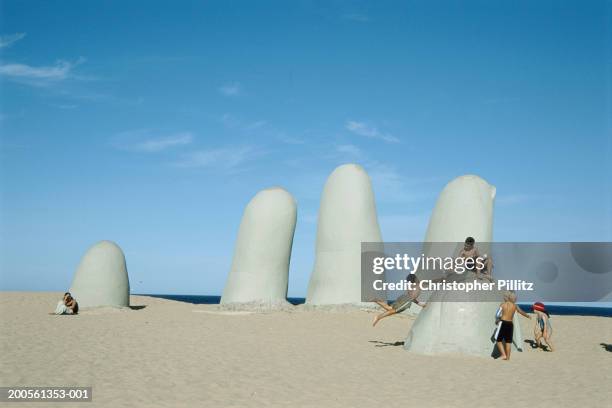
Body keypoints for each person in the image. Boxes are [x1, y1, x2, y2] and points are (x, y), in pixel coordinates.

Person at [493, 291, 530, 360]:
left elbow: (497, 314)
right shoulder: (515, 306)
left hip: (503, 323)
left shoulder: (502, 305)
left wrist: (498, 320)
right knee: (508, 342)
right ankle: (508, 357)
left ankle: (504, 355)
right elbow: (521, 312)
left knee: (498, 340)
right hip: (510, 324)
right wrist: (528, 316)